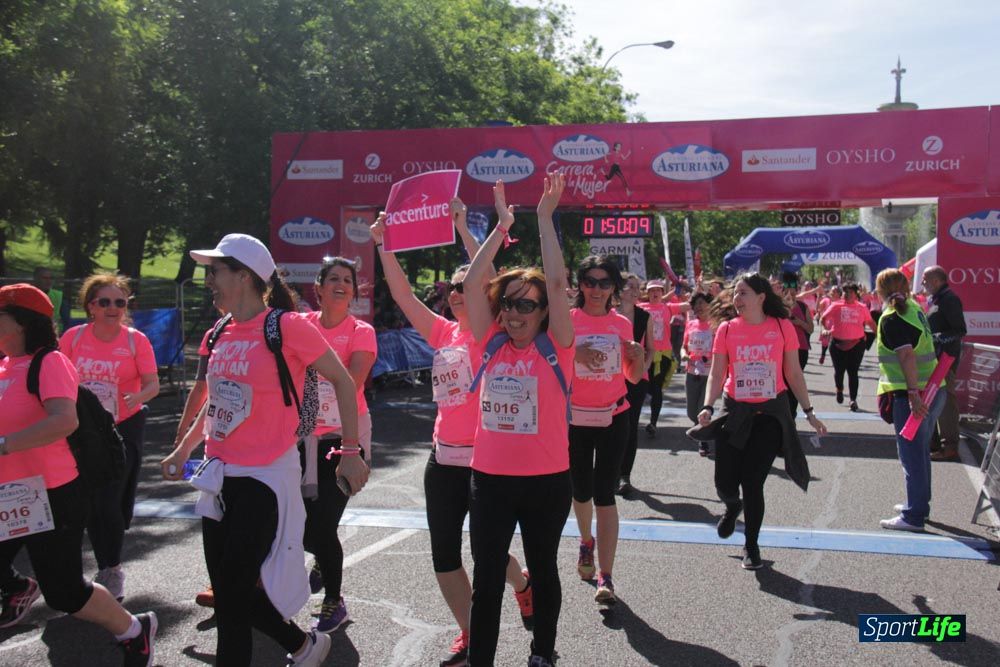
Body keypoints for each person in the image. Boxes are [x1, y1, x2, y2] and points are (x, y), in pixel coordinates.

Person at [160, 233, 366, 666]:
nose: (209, 279)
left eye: (215, 271)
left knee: (234, 590)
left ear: (244, 276)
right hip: (219, 477)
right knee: (230, 590)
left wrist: (350, 450)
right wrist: (183, 450)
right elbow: (217, 403)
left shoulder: (286, 327)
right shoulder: (220, 331)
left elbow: (344, 382)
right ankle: (303, 645)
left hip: (265, 478)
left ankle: (296, 646)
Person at [372, 199, 534, 666]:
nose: (457, 293)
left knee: (490, 554)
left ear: (487, 295)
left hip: (486, 461)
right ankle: (470, 634)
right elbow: (404, 296)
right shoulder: (442, 332)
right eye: (453, 288)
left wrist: (473, 230)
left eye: (467, 286)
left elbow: (494, 272)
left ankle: (522, 583)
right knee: (444, 553)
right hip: (443, 459)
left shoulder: (494, 335)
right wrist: (383, 247)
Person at [0, 283, 157, 665]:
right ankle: (19, 586)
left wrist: (4, 444)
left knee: (66, 594)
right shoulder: (4, 365)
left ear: (20, 323)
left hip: (53, 495)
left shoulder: (49, 363)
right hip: (10, 493)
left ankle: (134, 631)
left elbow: (64, 420)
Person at [463, 175, 573, 667]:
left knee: (544, 570)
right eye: (507, 303)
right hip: (489, 480)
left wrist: (545, 220)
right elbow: (471, 282)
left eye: (525, 304)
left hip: (547, 482)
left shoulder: (558, 345)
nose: (513, 312)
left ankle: (542, 652)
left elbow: (555, 281)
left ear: (543, 311)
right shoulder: (490, 341)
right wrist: (503, 225)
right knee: (486, 576)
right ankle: (481, 659)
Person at [692, 274, 827, 569]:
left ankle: (751, 545)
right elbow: (716, 374)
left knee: (753, 482)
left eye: (743, 293)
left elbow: (793, 373)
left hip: (769, 416)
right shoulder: (727, 330)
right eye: (735, 293)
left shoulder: (782, 327)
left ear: (761, 297)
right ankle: (731, 505)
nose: (737, 299)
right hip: (734, 412)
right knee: (725, 482)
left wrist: (809, 411)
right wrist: (707, 406)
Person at [60, 274, 160, 602]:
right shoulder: (73, 338)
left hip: (122, 428)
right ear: (91, 306)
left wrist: (138, 397)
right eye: (105, 302)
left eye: (120, 302)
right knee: (87, 502)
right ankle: (89, 568)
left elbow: (152, 383)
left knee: (109, 500)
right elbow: (56, 378)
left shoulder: (135, 341)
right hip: (81, 430)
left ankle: (112, 568)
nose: (113, 308)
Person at [299, 256, 377, 634]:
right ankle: (321, 559)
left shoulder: (361, 331)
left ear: (353, 292)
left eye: (347, 279)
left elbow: (354, 380)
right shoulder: (302, 327)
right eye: (333, 278)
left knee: (323, 523)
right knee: (301, 523)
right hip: (301, 438)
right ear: (319, 287)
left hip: (344, 438)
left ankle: (334, 600)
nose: (340, 284)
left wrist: (314, 380)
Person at [568, 256, 644, 605]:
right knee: (580, 491)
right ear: (580, 284)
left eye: (604, 283)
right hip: (575, 420)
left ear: (614, 288)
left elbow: (632, 377)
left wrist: (637, 355)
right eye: (590, 281)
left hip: (614, 416)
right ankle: (586, 541)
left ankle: (606, 575)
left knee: (605, 494)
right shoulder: (567, 320)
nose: (596, 289)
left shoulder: (621, 323)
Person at [873, 269, 947, 532]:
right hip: (935, 389)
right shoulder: (914, 307)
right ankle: (919, 505)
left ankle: (914, 514)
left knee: (911, 455)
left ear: (880, 291)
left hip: (913, 394)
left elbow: (906, 357)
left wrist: (914, 394)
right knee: (920, 452)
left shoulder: (893, 317)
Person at [921, 266, 966, 462]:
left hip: (945, 359)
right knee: (933, 400)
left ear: (937, 281)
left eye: (925, 279)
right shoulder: (937, 299)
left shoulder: (949, 299)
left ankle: (950, 446)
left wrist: (936, 339)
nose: (922, 283)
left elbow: (959, 330)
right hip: (935, 359)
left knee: (946, 401)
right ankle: (934, 443)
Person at [616, 272, 655, 495]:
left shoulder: (644, 316)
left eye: (637, 287)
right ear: (619, 289)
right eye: (630, 286)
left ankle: (624, 476)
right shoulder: (608, 314)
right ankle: (609, 473)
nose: (635, 290)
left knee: (629, 426)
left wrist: (644, 367)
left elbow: (651, 347)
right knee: (610, 426)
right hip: (609, 377)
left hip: (636, 378)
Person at [640, 280, 689, 436]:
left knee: (656, 389)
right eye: (652, 290)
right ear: (647, 294)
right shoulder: (640, 308)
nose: (655, 293)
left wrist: (694, 289)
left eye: (658, 290)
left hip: (663, 355)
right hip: (644, 354)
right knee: (643, 388)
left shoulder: (667, 308)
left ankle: (653, 423)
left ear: (662, 293)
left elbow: (690, 305)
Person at [820, 283, 875, 412]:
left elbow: (870, 322)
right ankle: (839, 389)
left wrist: (879, 335)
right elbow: (823, 318)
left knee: (853, 372)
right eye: (845, 292)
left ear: (856, 294)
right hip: (837, 344)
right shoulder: (836, 305)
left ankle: (853, 399)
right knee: (839, 372)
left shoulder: (862, 308)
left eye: (850, 292)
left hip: (856, 344)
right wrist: (825, 329)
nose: (847, 294)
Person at [682, 292, 715, 456]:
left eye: (703, 303)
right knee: (691, 411)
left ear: (709, 305)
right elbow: (683, 346)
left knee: (702, 407)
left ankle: (704, 441)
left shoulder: (716, 325)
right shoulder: (691, 324)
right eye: (697, 304)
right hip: (692, 371)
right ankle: (701, 429)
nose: (700, 306)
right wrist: (683, 354)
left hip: (710, 373)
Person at [782, 272, 814, 417]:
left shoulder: (802, 306)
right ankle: (783, 413)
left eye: (793, 287)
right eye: (787, 287)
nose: (790, 290)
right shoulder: (778, 305)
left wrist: (799, 323)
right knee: (782, 381)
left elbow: (811, 328)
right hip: (781, 349)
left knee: (794, 381)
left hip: (800, 348)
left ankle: (792, 413)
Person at [32, 266, 70, 333]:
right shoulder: (28, 294)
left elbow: (66, 320)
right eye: (44, 278)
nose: (48, 281)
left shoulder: (59, 296)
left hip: (54, 333)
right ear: (36, 279)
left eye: (51, 278)